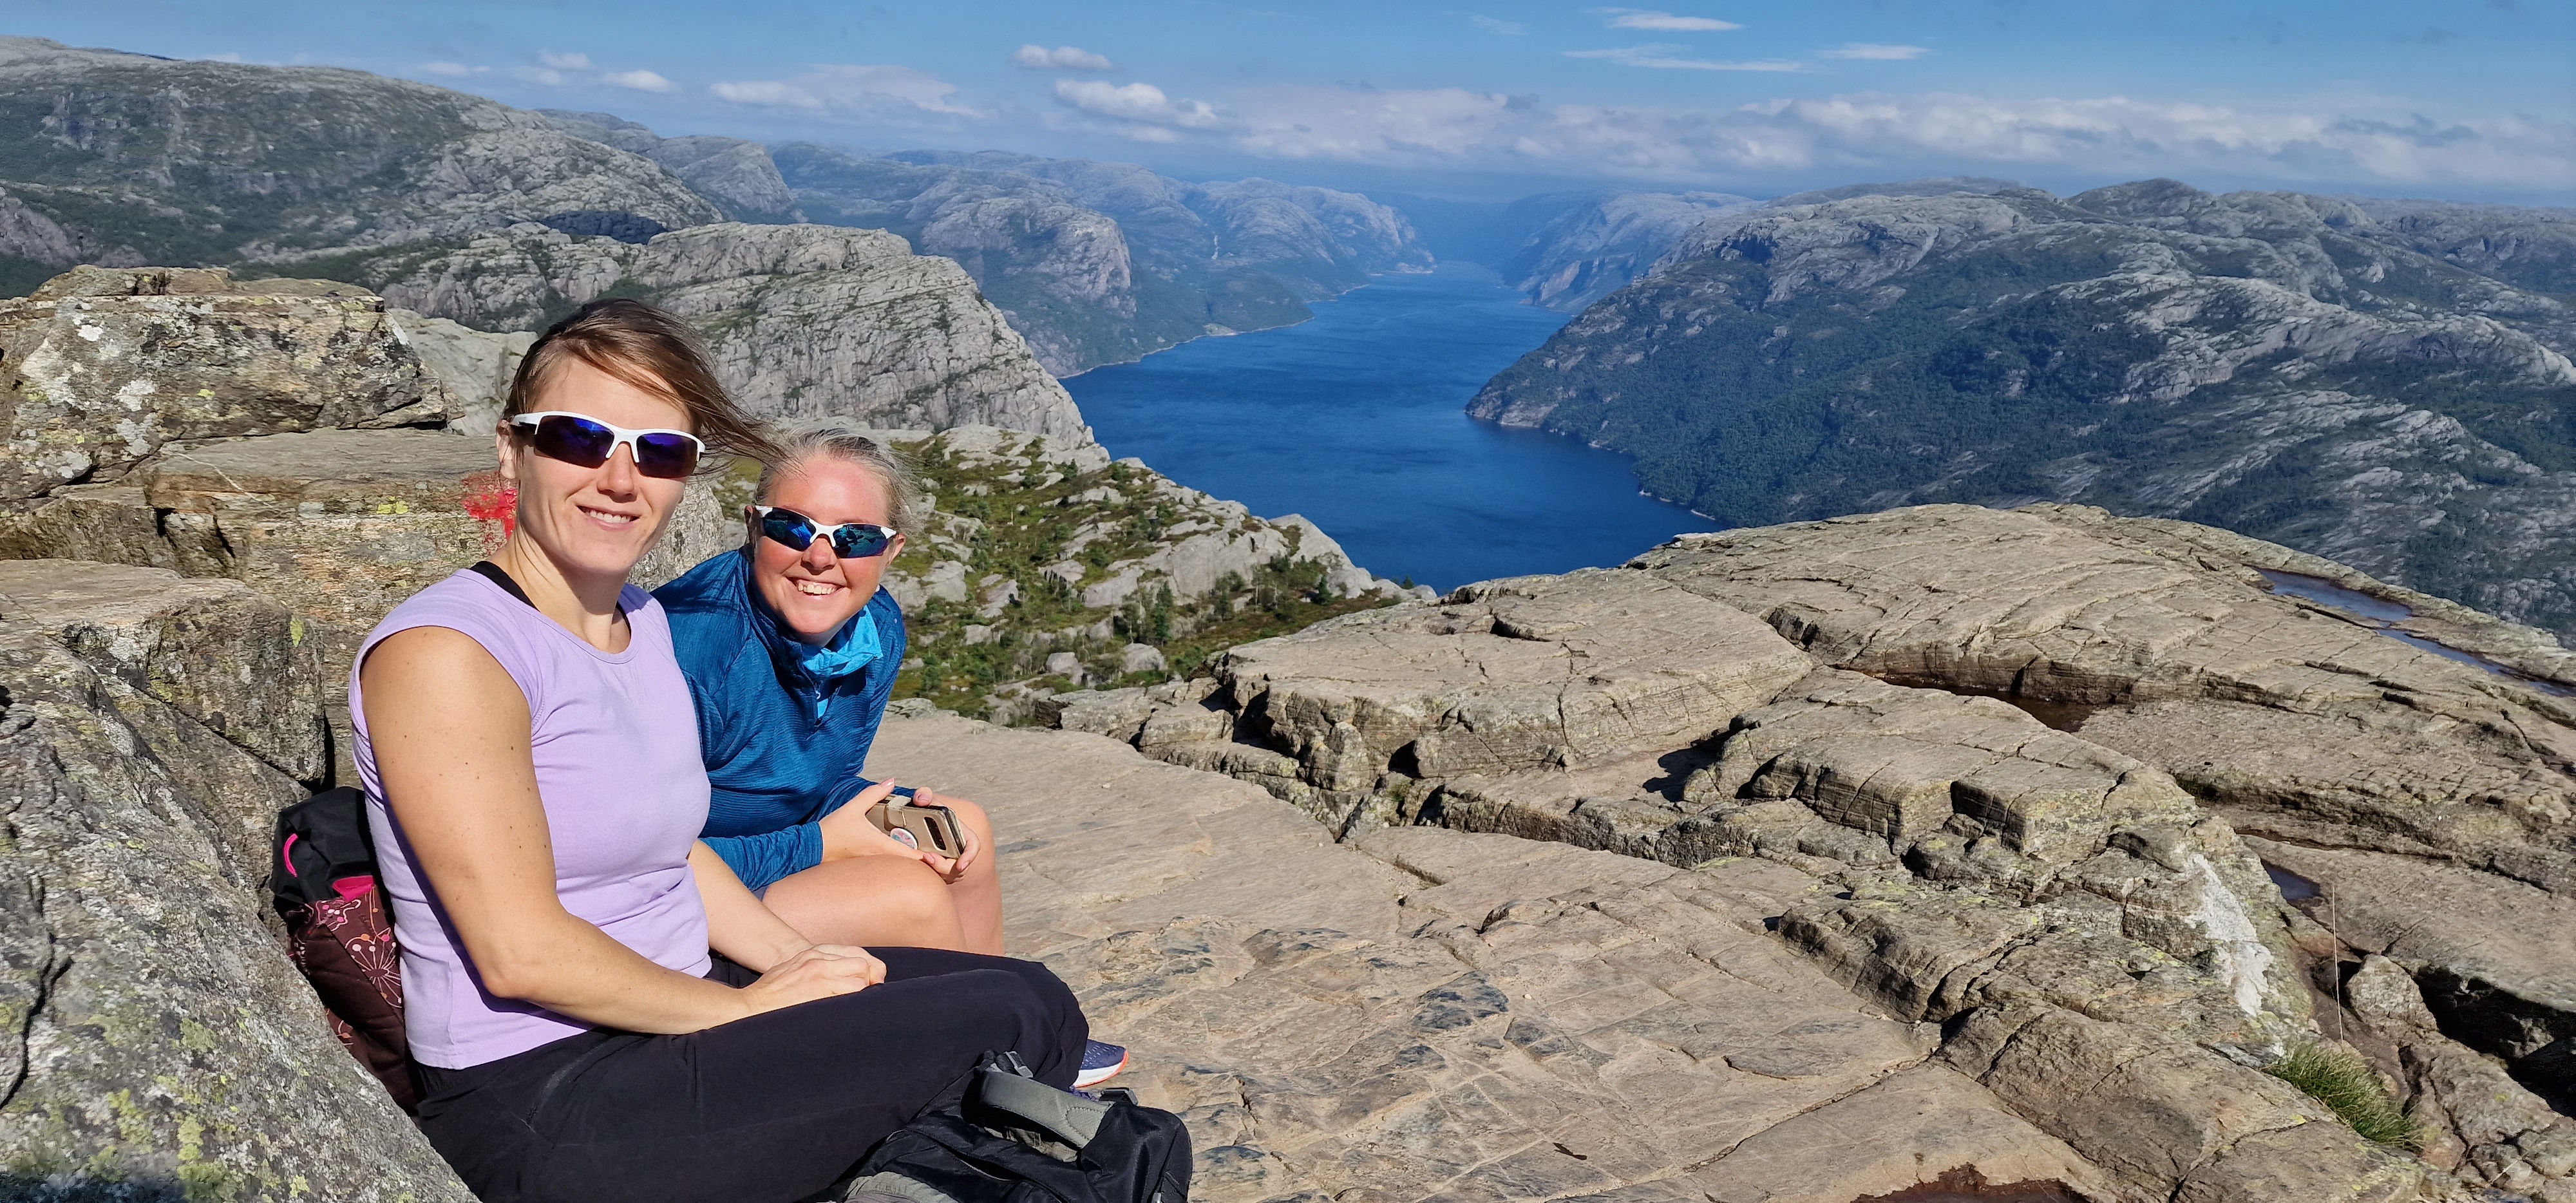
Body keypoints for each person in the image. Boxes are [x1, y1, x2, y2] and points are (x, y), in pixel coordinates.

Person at [352, 298, 1085, 1203]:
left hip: (675, 1009)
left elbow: (676, 848)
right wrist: (743, 1011)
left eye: (659, 452)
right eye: (581, 438)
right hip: (549, 1091)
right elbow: (519, 954)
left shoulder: (641, 626)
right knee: (1018, 1015)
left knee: (1023, 1001)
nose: (620, 480)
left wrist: (795, 965)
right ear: (513, 447)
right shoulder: (451, 653)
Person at [654, 426, 1129, 1088]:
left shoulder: (873, 629)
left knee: (960, 831)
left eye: (854, 538)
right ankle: (963, 1064)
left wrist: (871, 807)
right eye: (793, 528)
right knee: (908, 893)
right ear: (752, 525)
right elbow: (638, 857)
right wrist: (826, 843)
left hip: (767, 842)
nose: (820, 559)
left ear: (890, 550)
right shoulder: (692, 650)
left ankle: (1008, 1038)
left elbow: (795, 777)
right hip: (671, 903)